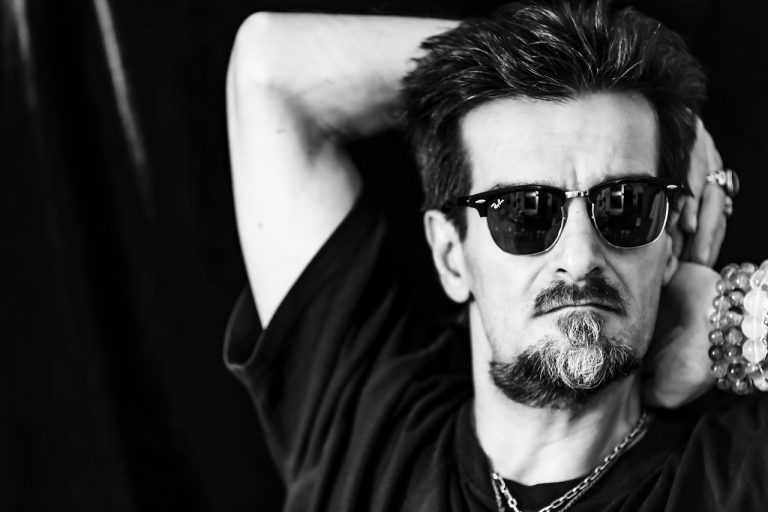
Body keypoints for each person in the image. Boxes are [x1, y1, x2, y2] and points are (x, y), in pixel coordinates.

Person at [224, 1, 765, 510]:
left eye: (625, 205)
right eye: (526, 213)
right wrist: (497, 52)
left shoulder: (738, 472)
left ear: (668, 242)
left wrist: (737, 322)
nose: (580, 257)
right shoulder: (365, 424)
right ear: (450, 255)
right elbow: (268, 69)